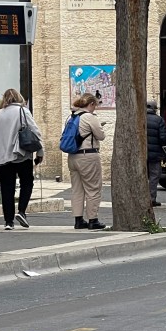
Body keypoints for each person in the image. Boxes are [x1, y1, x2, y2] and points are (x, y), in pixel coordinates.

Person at [0, 89, 44, 231]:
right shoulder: (23, 111)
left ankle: (8, 221)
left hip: (3, 158)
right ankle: (21, 211)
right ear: (19, 98)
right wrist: (40, 151)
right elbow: (35, 131)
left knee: (7, 189)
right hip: (21, 155)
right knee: (27, 182)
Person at [65, 93, 107, 229]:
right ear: (91, 104)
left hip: (72, 157)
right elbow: (101, 136)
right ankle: (93, 220)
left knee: (77, 189)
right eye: (95, 105)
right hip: (87, 155)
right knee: (93, 188)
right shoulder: (89, 117)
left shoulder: (71, 117)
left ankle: (78, 220)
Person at [145, 99, 166, 207]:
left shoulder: (139, 119)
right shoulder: (159, 120)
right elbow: (163, 138)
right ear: (154, 108)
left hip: (141, 154)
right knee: (154, 176)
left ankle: (141, 198)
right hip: (155, 154)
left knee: (142, 176)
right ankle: (151, 199)